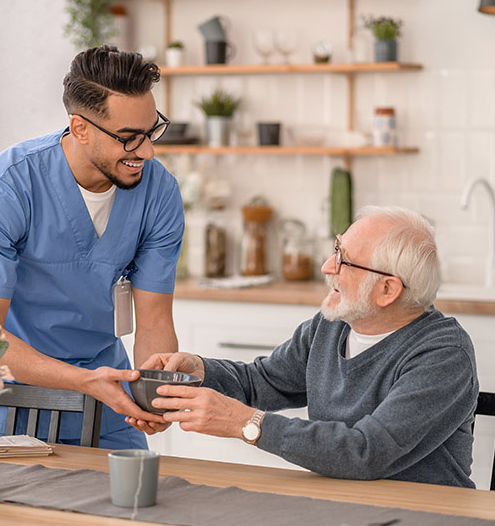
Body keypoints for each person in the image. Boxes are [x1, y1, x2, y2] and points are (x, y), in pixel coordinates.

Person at [130, 206, 479, 487]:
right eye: (336, 249)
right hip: (337, 500)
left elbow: (365, 452)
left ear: (388, 290)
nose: (328, 267)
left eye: (345, 261)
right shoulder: (330, 326)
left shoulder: (443, 354)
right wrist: (200, 370)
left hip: (424, 513)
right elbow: (262, 382)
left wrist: (245, 423)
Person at [0, 45, 184, 449]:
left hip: (114, 397)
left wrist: (153, 391)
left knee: (135, 508)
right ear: (80, 128)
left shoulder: (158, 191)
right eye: (129, 138)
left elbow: (153, 322)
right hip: (19, 401)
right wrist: (84, 383)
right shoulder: (5, 187)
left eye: (152, 131)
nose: (147, 151)